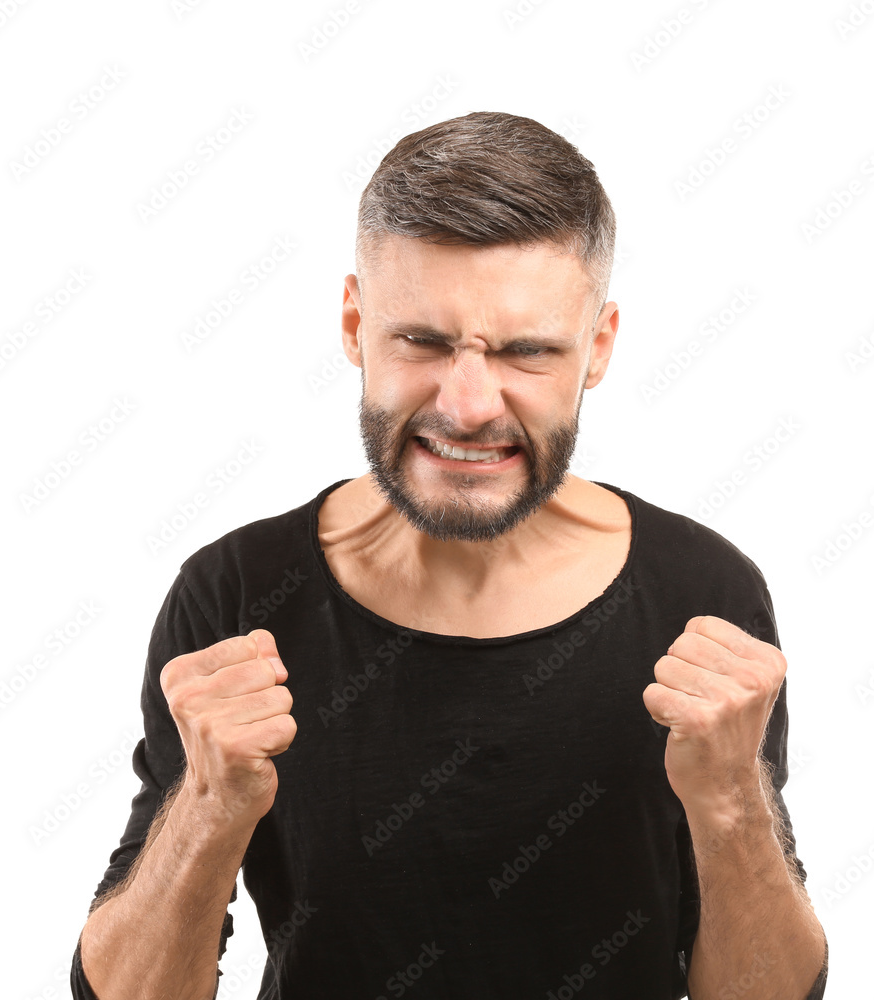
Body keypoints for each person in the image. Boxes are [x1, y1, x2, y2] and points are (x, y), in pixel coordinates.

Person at [72, 111, 828, 1000]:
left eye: (528, 351)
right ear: (356, 325)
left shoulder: (703, 593)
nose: (468, 405)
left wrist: (733, 800)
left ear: (599, 348)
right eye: (423, 342)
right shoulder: (236, 592)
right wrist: (207, 810)